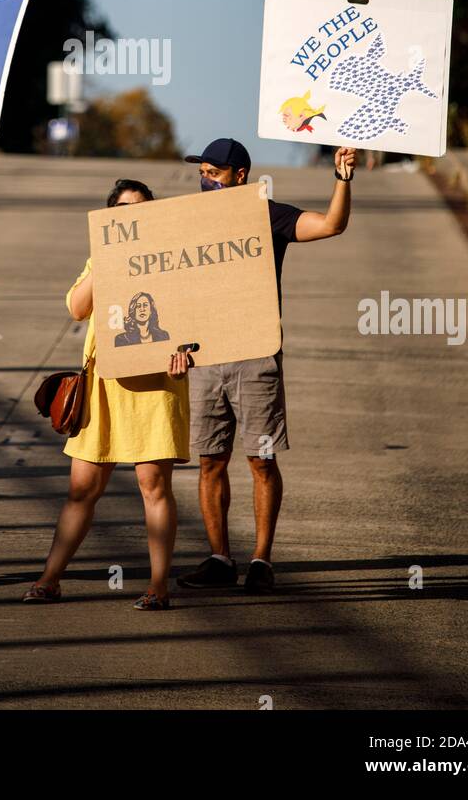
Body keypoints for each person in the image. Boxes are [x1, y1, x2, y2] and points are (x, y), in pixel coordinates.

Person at [177, 136, 355, 594]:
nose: (206, 180)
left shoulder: (268, 214)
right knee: (211, 460)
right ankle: (220, 559)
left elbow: (331, 225)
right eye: (203, 172)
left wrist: (342, 177)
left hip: (256, 356)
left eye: (214, 173)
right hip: (204, 356)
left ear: (240, 176)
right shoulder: (188, 220)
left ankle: (260, 560)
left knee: (261, 459)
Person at [24, 179, 192, 611]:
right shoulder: (96, 256)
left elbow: (195, 317)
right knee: (82, 488)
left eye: (140, 207)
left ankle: (159, 586)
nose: (131, 214)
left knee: (152, 484)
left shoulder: (172, 257)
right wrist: (105, 257)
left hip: (156, 382)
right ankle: (50, 578)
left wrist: (187, 354)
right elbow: (78, 308)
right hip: (103, 384)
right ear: (109, 214)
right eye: (122, 208)